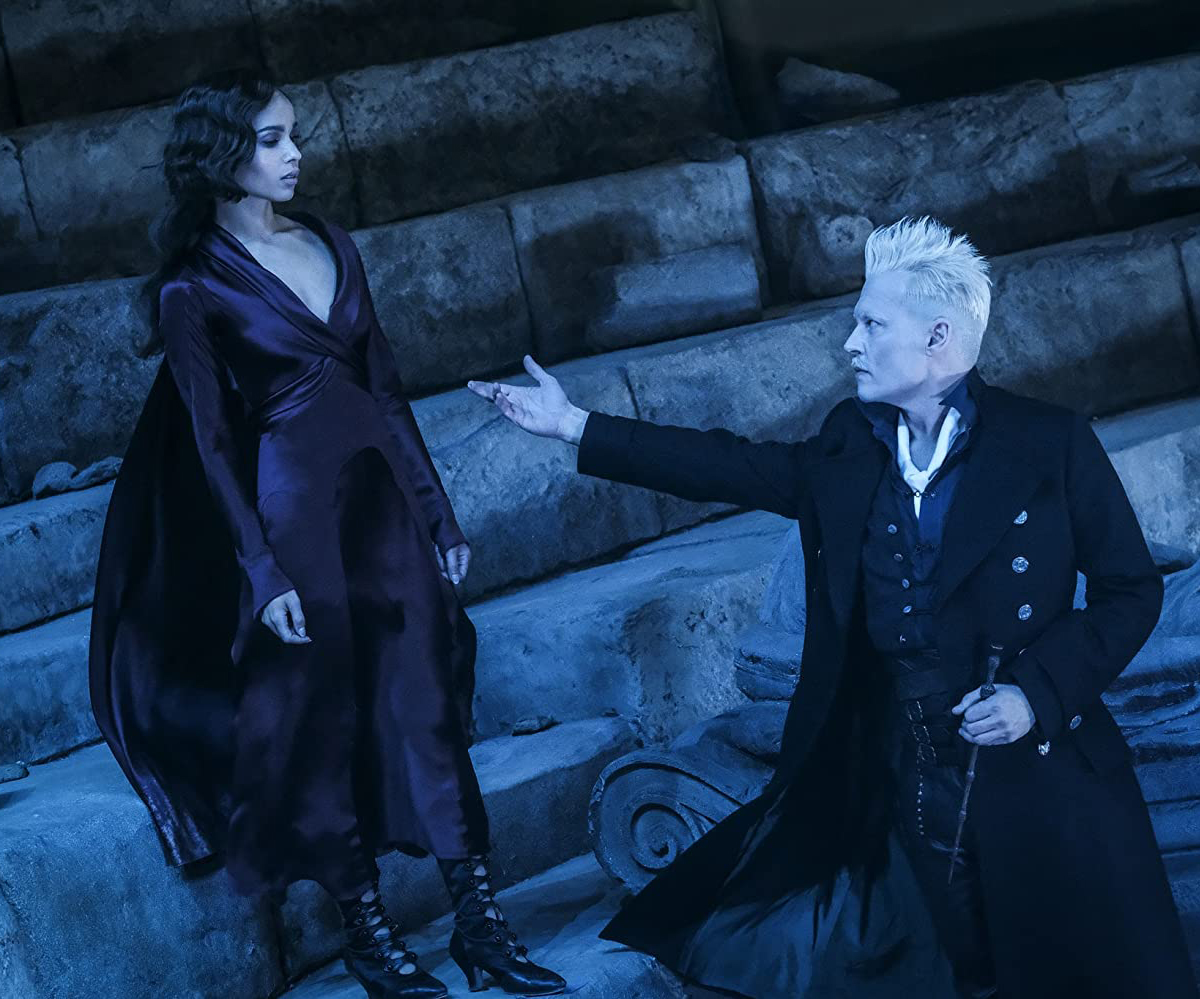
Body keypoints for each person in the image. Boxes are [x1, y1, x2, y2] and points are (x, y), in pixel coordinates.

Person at [468, 216, 1198, 998]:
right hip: (897, 769)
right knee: (940, 967)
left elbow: (1132, 588)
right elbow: (730, 465)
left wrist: (1035, 693)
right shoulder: (851, 441)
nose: (851, 343)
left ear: (938, 337)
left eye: (872, 324)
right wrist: (574, 425)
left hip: (1037, 768)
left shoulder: (1049, 442)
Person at [87, 69, 565, 999]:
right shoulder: (192, 289)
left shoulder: (331, 241)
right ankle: (369, 933)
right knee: (324, 720)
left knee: (424, 702)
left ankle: (480, 922)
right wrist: (262, 570)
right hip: (294, 518)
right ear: (223, 155)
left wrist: (437, 509)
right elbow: (211, 442)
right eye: (273, 140)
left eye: (294, 134)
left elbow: (384, 387)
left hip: (383, 505)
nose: (296, 153)